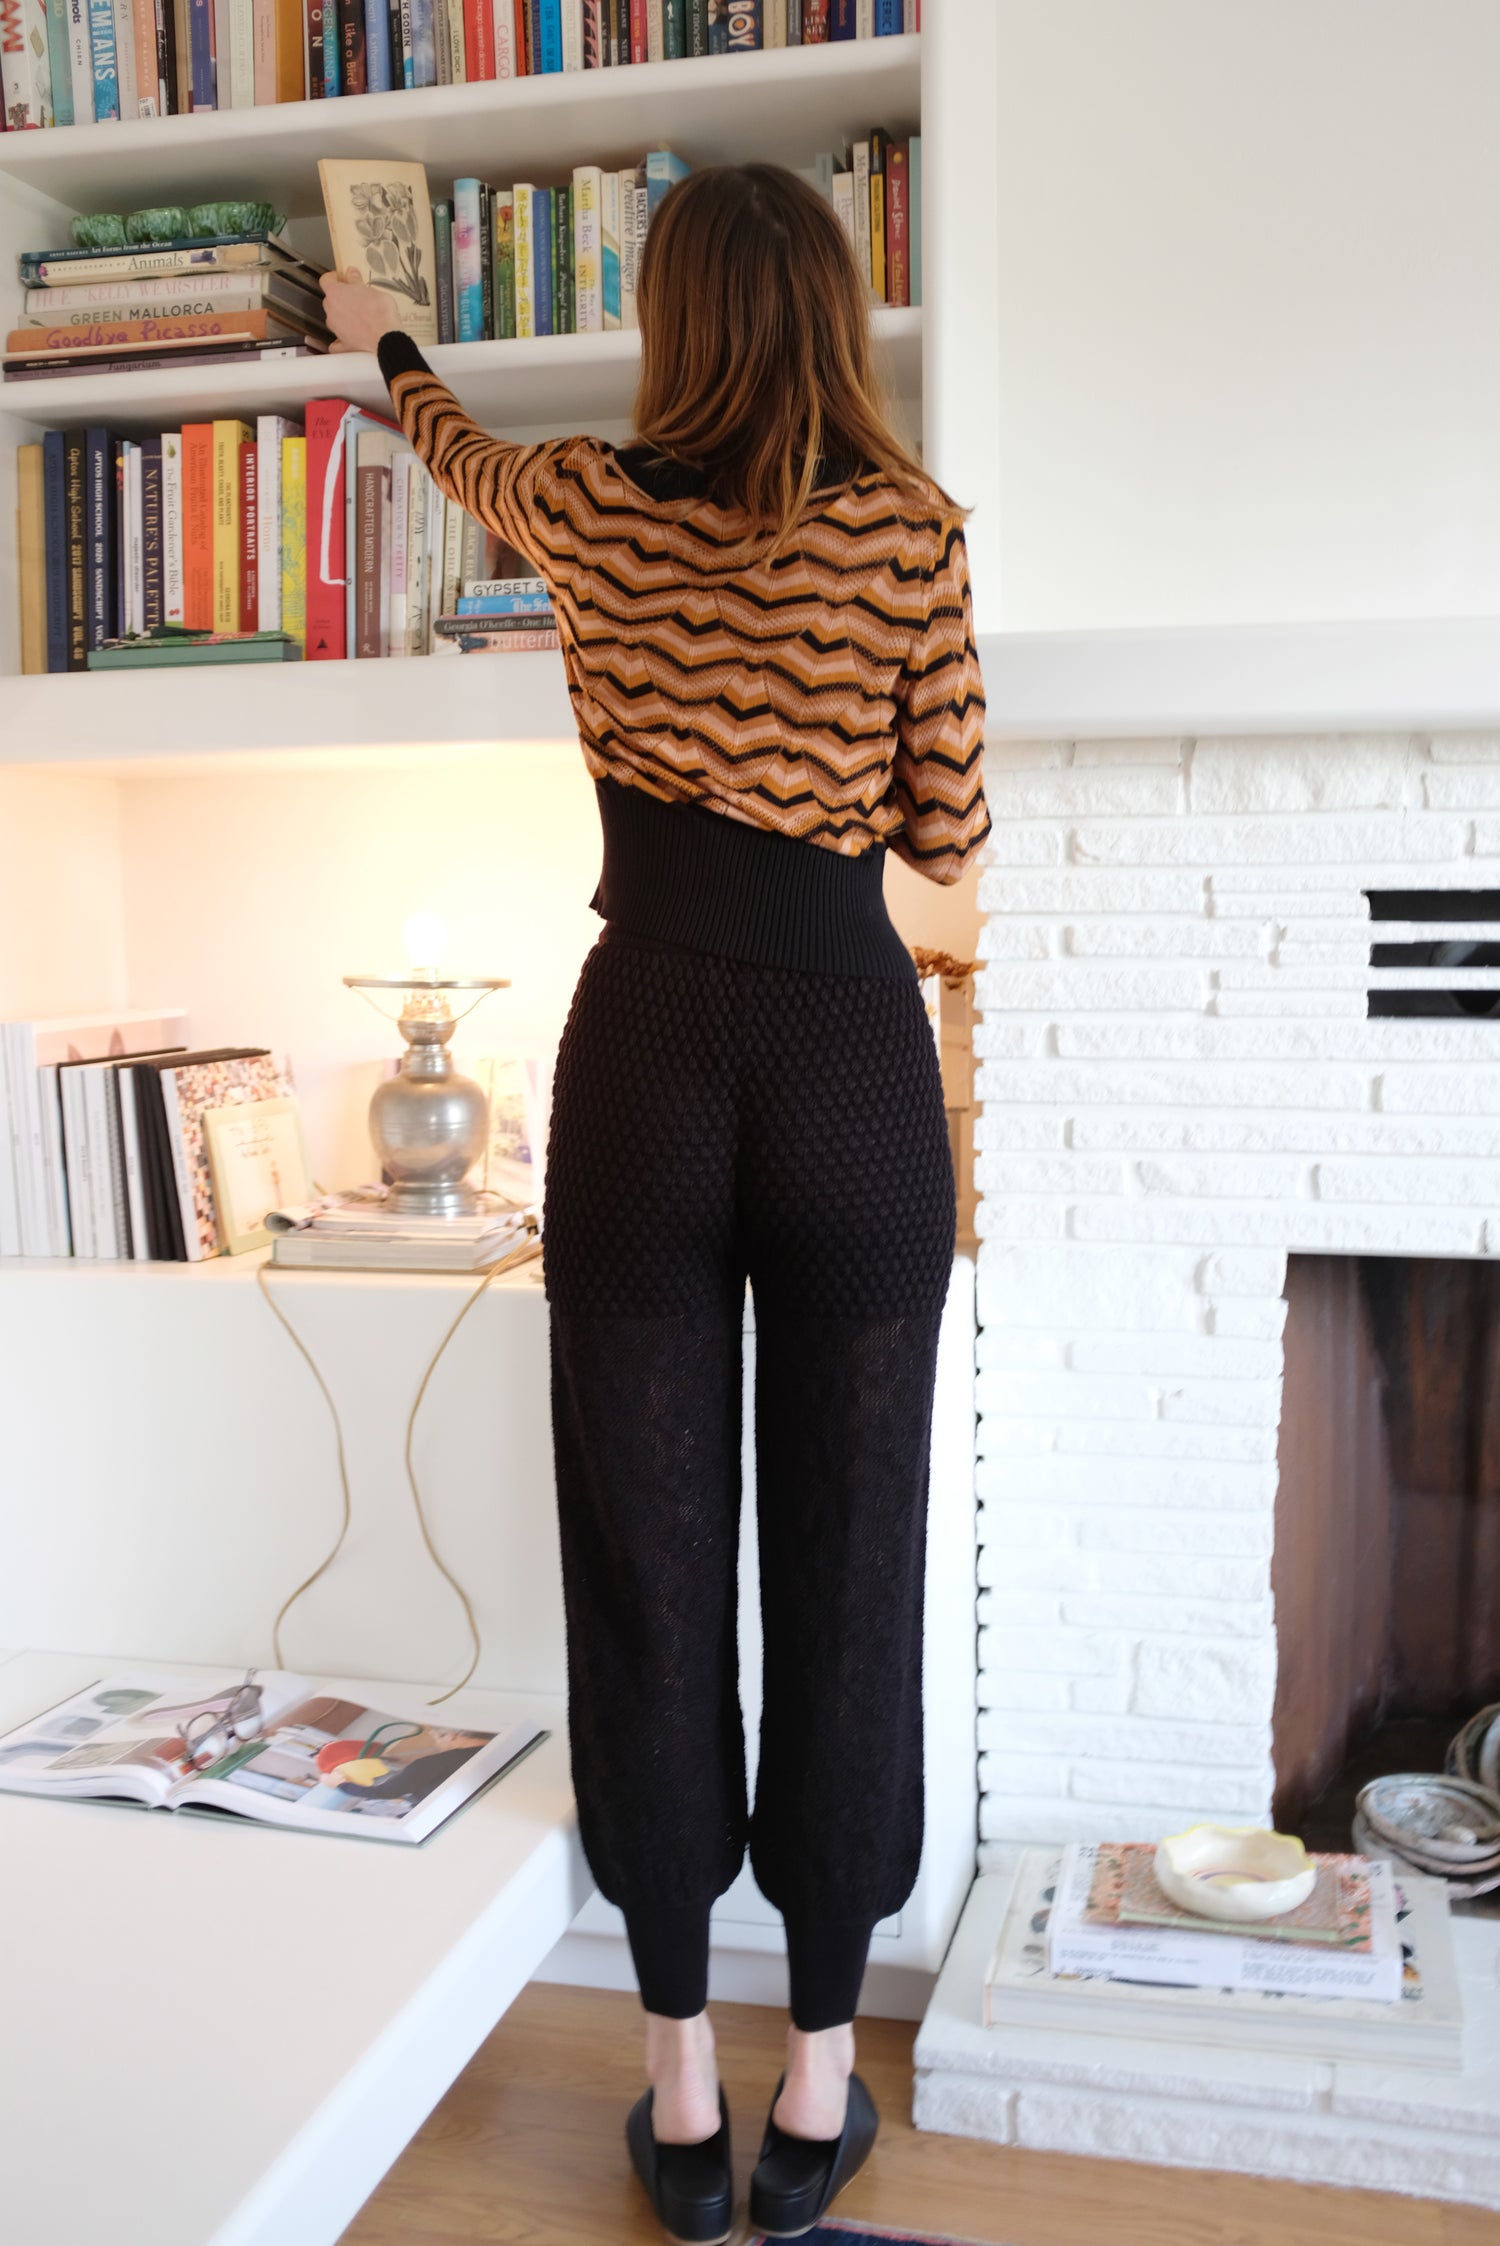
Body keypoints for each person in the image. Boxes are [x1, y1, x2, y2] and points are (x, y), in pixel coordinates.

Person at [321, 159, 989, 2246]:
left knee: (646, 1552)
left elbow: (451, 450)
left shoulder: (590, 505)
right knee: (854, 1565)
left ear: (675, 318)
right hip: (850, 1067)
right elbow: (949, 828)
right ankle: (820, 2081)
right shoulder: (911, 530)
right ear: (837, 318)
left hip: (646, 1065)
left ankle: (681, 2084)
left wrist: (387, 340)